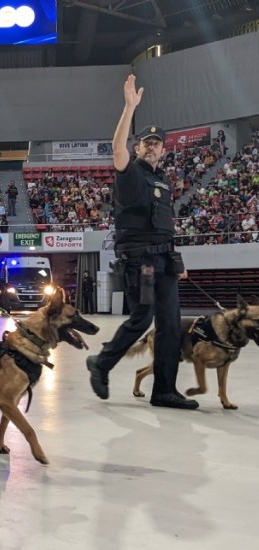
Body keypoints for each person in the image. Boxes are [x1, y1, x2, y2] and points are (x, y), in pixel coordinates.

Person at [86, 74, 197, 410]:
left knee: (170, 327)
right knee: (142, 319)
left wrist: (176, 262)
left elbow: (165, 227)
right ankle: (101, 362)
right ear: (138, 148)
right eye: (146, 142)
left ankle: (164, 390)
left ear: (163, 150)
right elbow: (116, 147)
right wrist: (129, 107)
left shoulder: (163, 182)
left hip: (164, 262)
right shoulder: (129, 173)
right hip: (141, 263)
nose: (151, 145)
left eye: (157, 143)